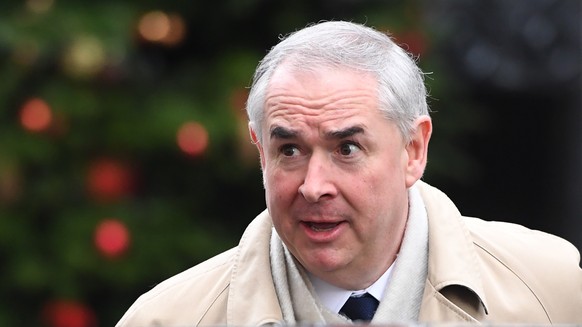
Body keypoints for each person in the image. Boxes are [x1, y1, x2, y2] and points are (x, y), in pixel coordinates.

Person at [116, 21, 582, 326]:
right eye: (290, 149)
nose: (314, 186)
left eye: (347, 148)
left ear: (413, 150)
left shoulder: (551, 290)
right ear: (261, 153)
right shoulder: (168, 319)